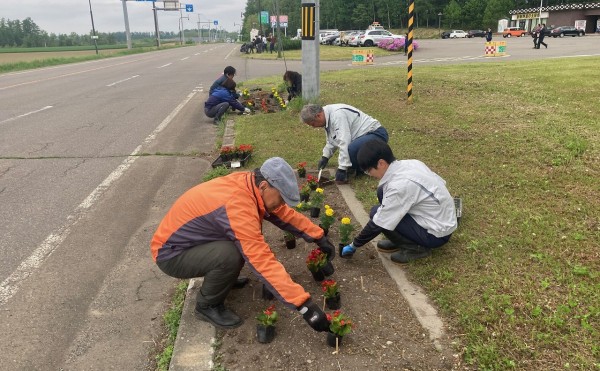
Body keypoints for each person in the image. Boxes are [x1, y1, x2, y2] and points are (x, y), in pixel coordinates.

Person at [151, 157, 334, 331]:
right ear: (264, 185)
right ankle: (206, 306)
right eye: (280, 198)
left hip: (192, 242)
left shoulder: (249, 184)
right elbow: (261, 260)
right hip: (171, 254)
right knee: (230, 255)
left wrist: (319, 237)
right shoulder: (238, 205)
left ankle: (224, 279)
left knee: (232, 250)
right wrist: (305, 306)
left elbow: (284, 214)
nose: (281, 204)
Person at [340, 139, 458, 264]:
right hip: (438, 216)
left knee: (377, 213)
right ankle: (402, 240)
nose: (369, 174)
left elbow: (378, 222)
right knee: (382, 193)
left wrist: (354, 245)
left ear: (381, 163)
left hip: (436, 234)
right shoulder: (411, 163)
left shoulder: (399, 186)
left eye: (368, 171)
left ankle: (416, 248)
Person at [300, 104, 389, 185]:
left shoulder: (337, 115)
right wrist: (325, 157)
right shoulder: (327, 117)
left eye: (313, 124)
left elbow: (344, 141)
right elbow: (332, 140)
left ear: (318, 116)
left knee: (351, 150)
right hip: (363, 137)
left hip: (376, 134)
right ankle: (357, 167)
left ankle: (362, 168)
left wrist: (342, 168)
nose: (314, 127)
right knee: (351, 151)